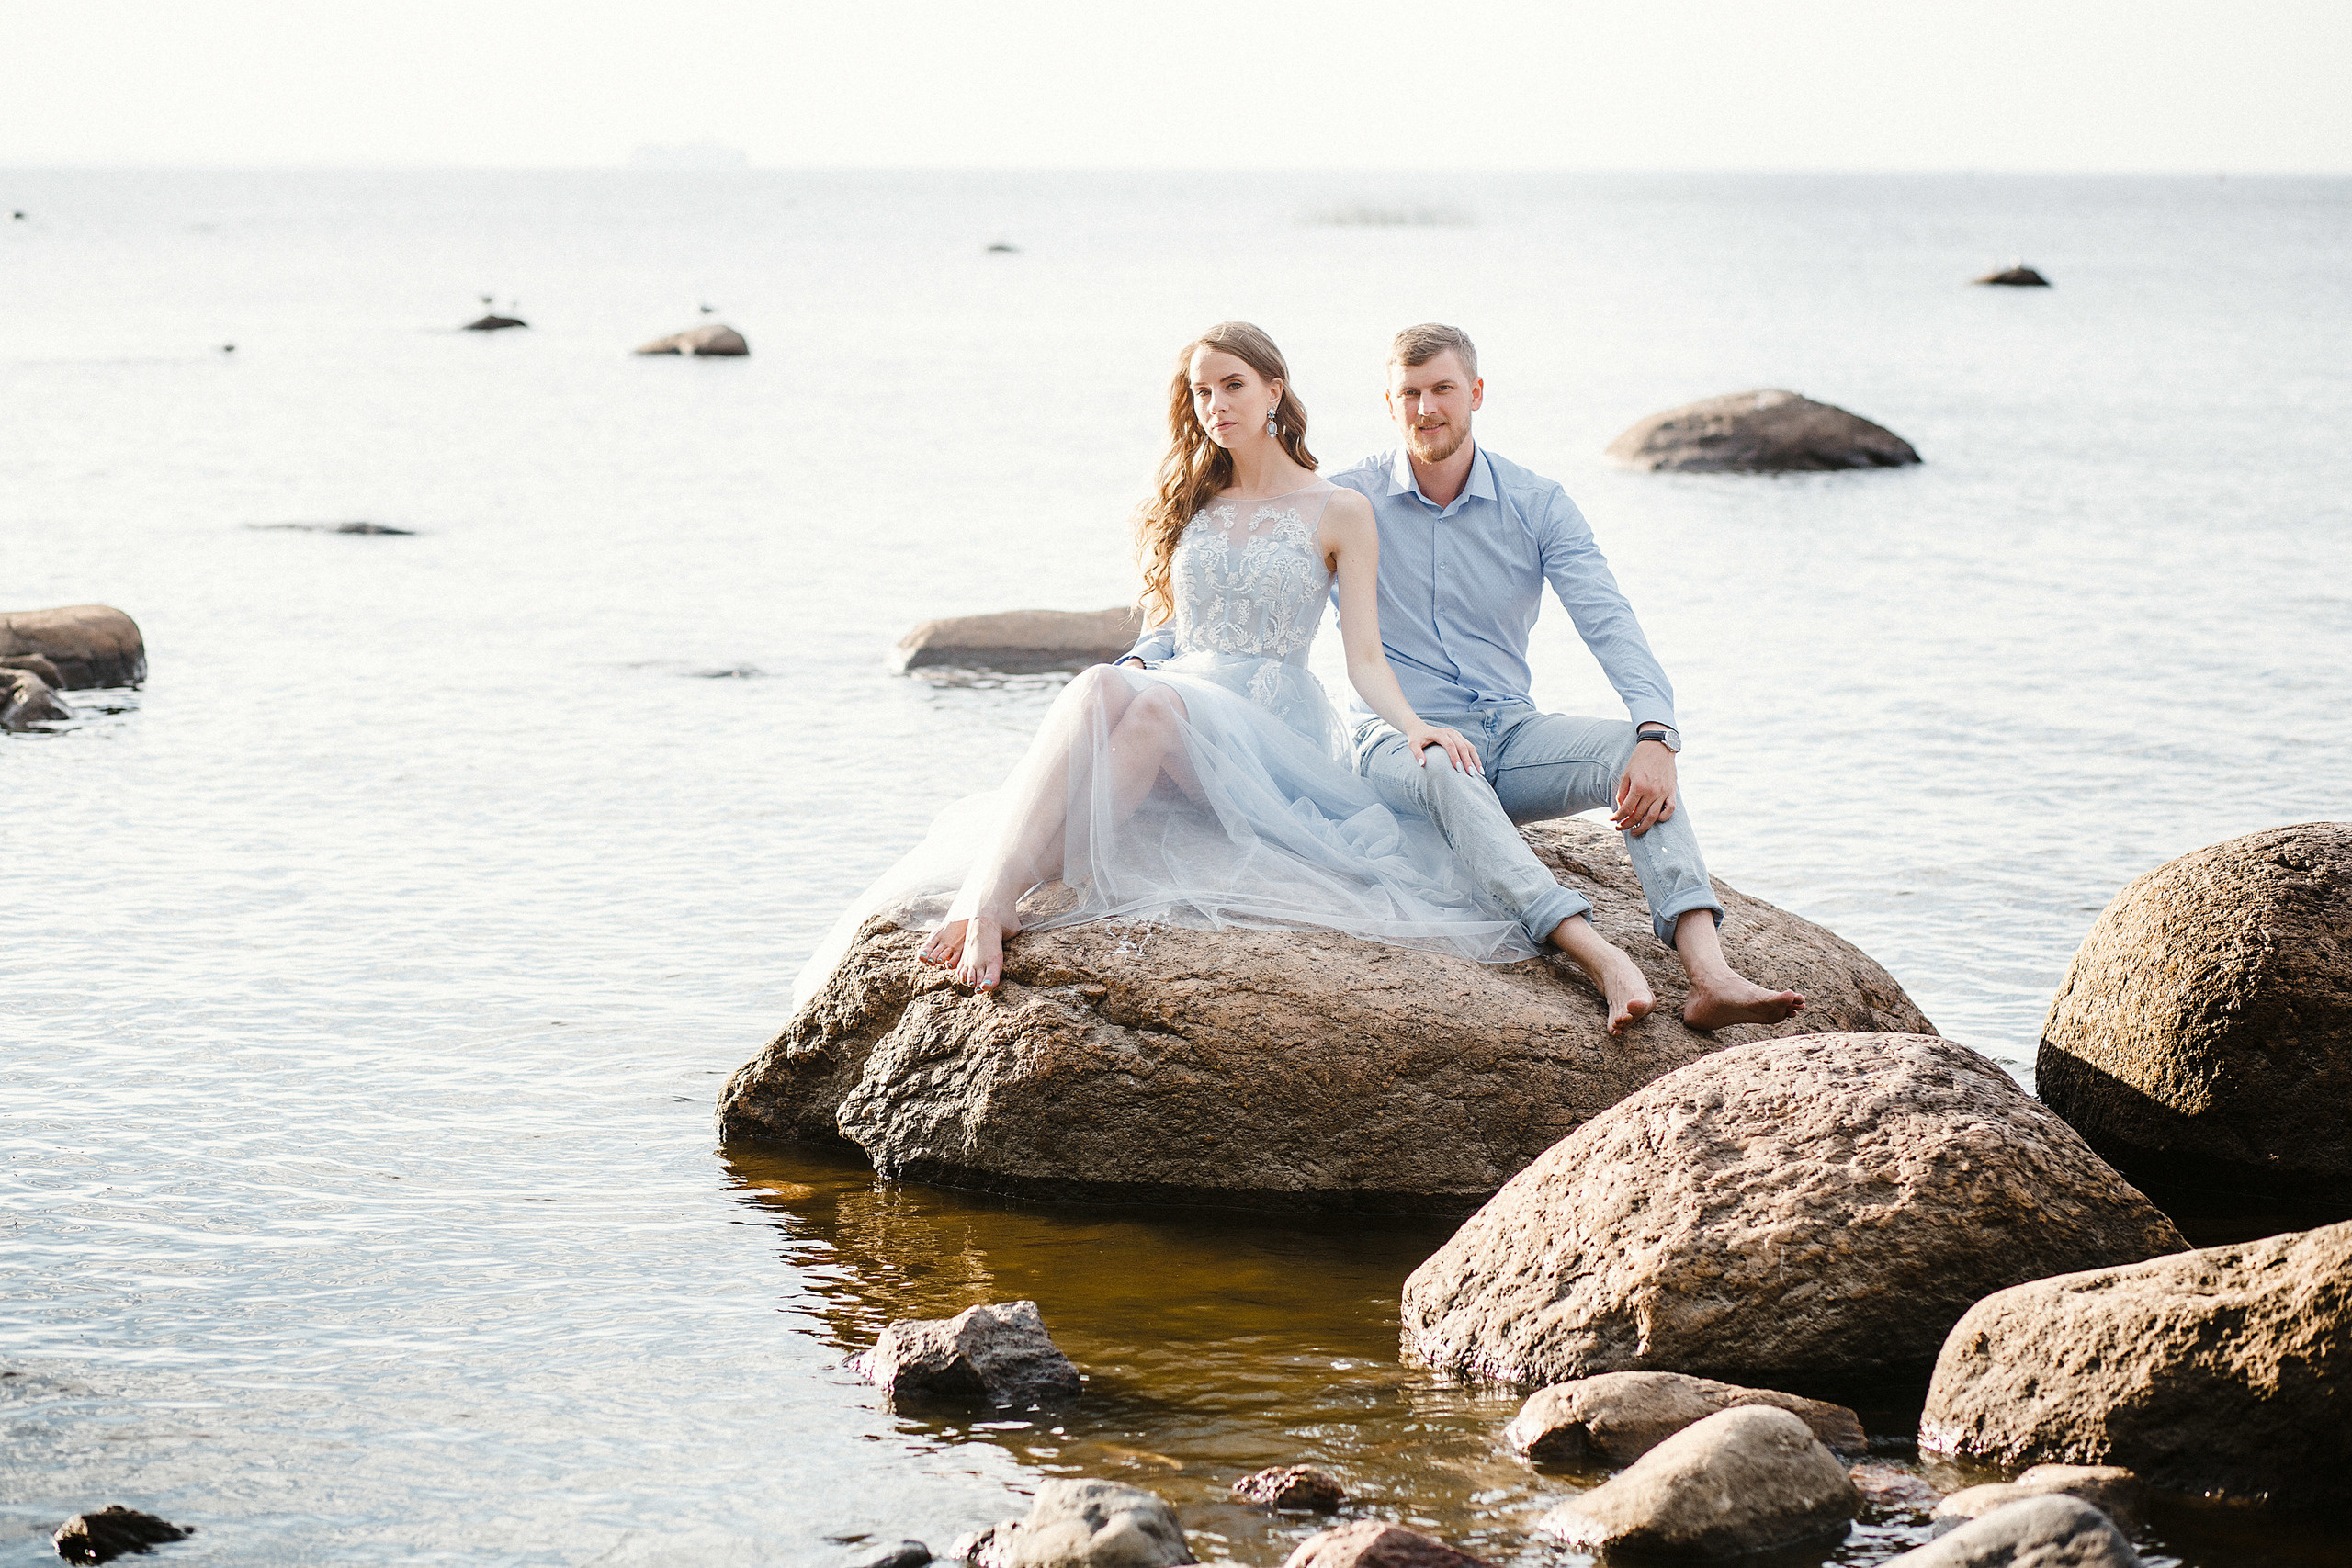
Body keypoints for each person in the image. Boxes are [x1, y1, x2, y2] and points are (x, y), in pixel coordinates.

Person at [797, 321, 1532, 1005]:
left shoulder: (1339, 509)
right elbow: (1168, 628)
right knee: (1119, 690)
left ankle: (995, 896)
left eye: (1232, 384)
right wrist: (1141, 662)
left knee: (1150, 705)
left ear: (1275, 389)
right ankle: (998, 897)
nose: (1215, 404)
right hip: (1182, 696)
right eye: (1201, 392)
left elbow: (1365, 658)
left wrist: (1413, 724)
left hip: (1271, 729)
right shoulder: (1193, 499)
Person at [1127, 322, 1801, 1034]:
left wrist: (1656, 731)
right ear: (1389, 404)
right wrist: (1147, 654)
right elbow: (1224, 589)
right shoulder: (1340, 501)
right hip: (1396, 743)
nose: (1426, 409)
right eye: (1409, 394)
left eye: (1442, 389)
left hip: (1512, 734)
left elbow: (1609, 621)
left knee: (1629, 755)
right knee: (1444, 761)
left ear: (1475, 392)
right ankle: (1593, 952)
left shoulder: (1537, 503)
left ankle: (1711, 972)